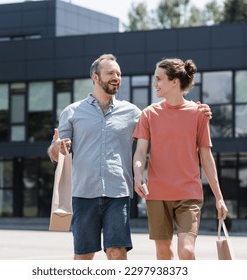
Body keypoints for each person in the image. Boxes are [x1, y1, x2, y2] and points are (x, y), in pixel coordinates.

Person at [47, 54, 212, 260]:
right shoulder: (72, 112)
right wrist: (58, 147)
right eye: (110, 73)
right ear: (95, 77)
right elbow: (56, 152)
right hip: (84, 193)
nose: (116, 77)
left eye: (119, 74)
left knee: (117, 253)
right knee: (83, 256)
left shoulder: (134, 113)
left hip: (118, 194)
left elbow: (166, 118)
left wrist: (198, 111)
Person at [132, 58, 228, 260]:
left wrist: (219, 197)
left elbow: (206, 156)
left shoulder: (199, 113)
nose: (154, 84)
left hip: (189, 193)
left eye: (159, 79)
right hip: (157, 194)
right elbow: (141, 152)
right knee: (164, 253)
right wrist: (138, 174)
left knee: (186, 251)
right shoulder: (149, 114)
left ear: (174, 81)